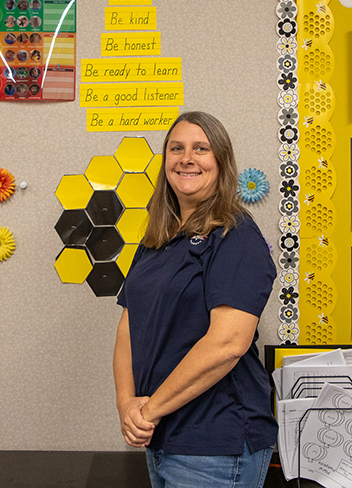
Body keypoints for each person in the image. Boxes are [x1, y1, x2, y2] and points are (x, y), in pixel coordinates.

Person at [114, 111, 278, 488]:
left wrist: (149, 409)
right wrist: (127, 404)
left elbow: (227, 344)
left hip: (217, 447)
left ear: (220, 163)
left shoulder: (236, 237)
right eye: (177, 148)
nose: (186, 158)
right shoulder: (157, 239)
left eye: (200, 148)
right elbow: (129, 324)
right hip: (163, 437)